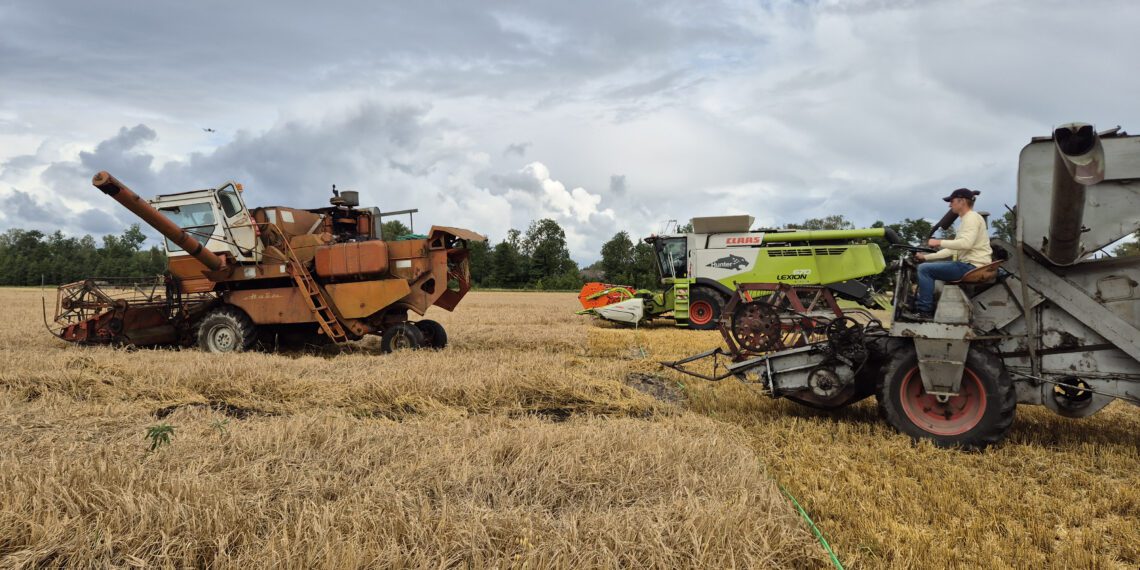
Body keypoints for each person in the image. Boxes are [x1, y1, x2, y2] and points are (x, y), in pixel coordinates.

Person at [904, 188, 993, 320]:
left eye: (952, 201)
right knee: (926, 266)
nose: (949, 205)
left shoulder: (971, 218)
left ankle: (924, 311)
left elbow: (966, 244)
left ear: (962, 201)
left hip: (971, 266)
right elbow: (953, 250)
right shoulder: (968, 219)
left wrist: (938, 242)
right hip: (971, 265)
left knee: (924, 270)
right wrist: (926, 257)